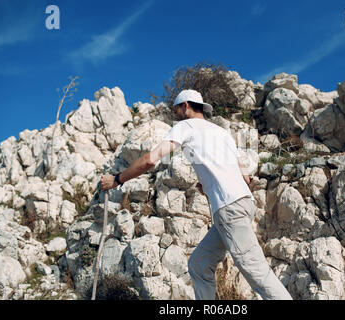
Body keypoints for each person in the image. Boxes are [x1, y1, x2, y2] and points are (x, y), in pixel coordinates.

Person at [100, 89, 293, 300]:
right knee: (199, 265)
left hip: (229, 209)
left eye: (176, 110)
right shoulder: (221, 132)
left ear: (185, 106)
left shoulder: (185, 127)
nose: (175, 115)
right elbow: (244, 177)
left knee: (257, 273)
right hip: (241, 204)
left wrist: (117, 179)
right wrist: (210, 184)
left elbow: (149, 160)